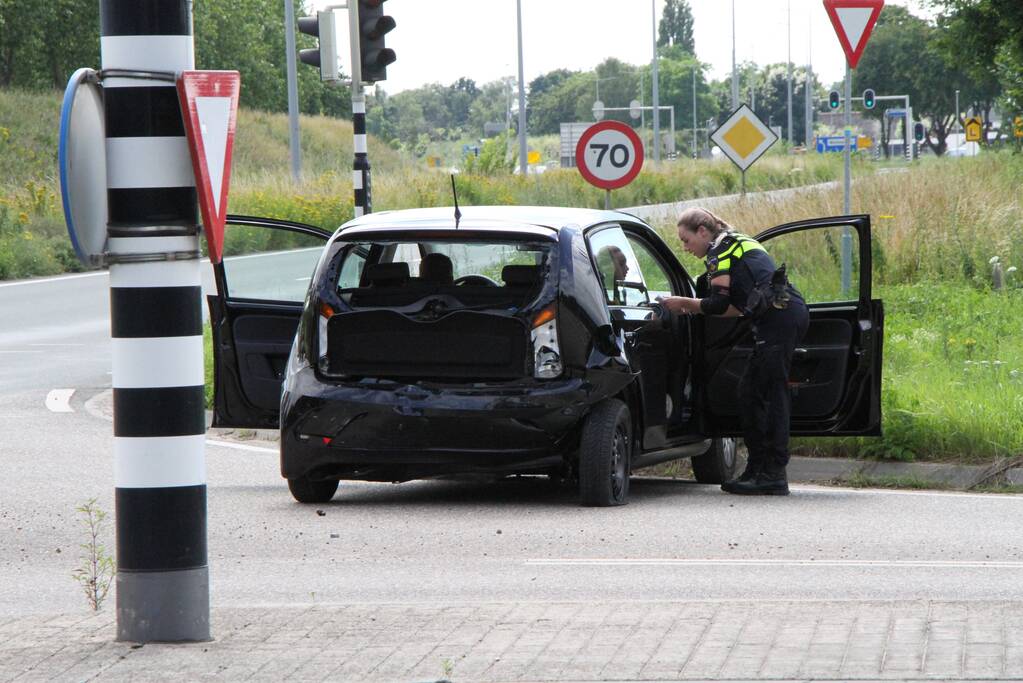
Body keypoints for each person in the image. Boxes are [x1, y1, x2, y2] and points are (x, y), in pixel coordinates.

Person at [659, 207, 808, 496]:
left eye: (686, 240)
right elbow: (735, 307)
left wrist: (684, 304)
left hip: (778, 318)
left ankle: (773, 473)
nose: (685, 248)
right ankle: (757, 469)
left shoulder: (720, 252)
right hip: (784, 313)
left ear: (703, 231)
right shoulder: (735, 242)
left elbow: (716, 304)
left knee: (767, 394)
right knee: (750, 392)